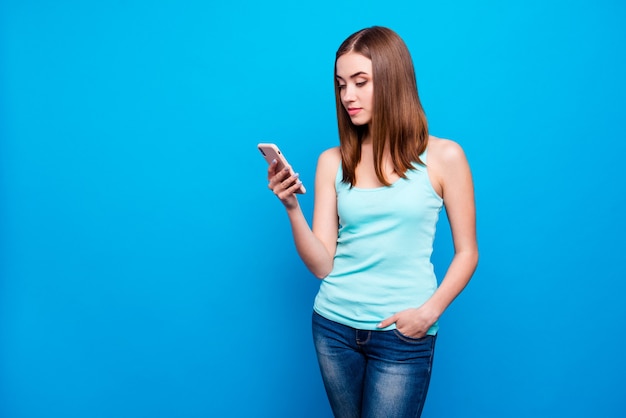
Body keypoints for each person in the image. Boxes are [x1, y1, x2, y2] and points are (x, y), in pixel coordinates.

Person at [265, 26, 478, 418]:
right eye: (341, 84)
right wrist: (292, 208)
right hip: (333, 327)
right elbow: (321, 265)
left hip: (402, 335)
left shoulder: (445, 157)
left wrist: (427, 314)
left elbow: (468, 253)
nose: (348, 95)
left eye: (361, 82)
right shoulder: (333, 161)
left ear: (394, 80)